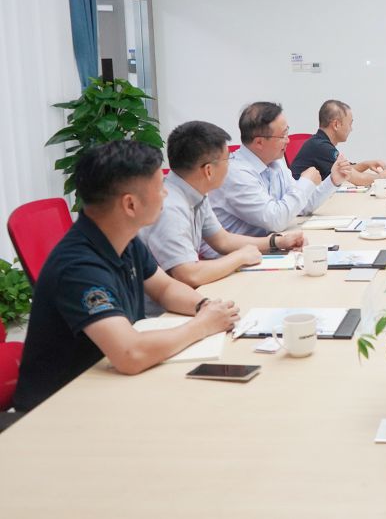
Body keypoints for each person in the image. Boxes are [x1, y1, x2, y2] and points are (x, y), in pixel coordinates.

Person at [12, 141, 240, 413]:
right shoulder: (78, 267)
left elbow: (165, 288)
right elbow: (130, 354)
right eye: (160, 187)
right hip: (59, 406)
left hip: (108, 384)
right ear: (130, 204)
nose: (166, 193)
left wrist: (204, 307)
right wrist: (201, 325)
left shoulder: (122, 238)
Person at [140, 121, 306, 301]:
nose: (231, 165)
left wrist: (277, 242)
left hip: (189, 296)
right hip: (165, 310)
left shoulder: (195, 191)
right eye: (227, 159)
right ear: (208, 171)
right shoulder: (170, 208)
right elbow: (188, 274)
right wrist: (239, 257)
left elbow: (222, 240)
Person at [211, 102, 351, 238]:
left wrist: (333, 180)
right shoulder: (236, 173)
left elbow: (301, 206)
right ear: (259, 142)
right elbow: (274, 220)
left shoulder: (275, 163)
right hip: (238, 252)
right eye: (282, 135)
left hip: (268, 244)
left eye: (287, 132)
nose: (288, 140)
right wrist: (305, 182)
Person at [289, 100, 386, 186]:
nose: (351, 129)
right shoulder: (321, 147)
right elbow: (358, 179)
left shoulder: (319, 143)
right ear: (336, 125)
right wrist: (382, 177)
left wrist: (366, 164)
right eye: (350, 124)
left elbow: (345, 171)